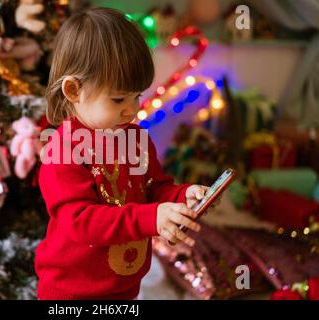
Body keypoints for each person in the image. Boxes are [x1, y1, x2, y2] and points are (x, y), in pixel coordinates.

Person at [35, 7, 213, 300]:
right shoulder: (63, 151)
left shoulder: (136, 139)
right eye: (118, 98)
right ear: (73, 90)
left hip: (123, 286)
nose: (132, 109)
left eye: (136, 96)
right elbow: (81, 221)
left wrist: (183, 197)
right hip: (71, 292)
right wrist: (151, 218)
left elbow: (156, 190)